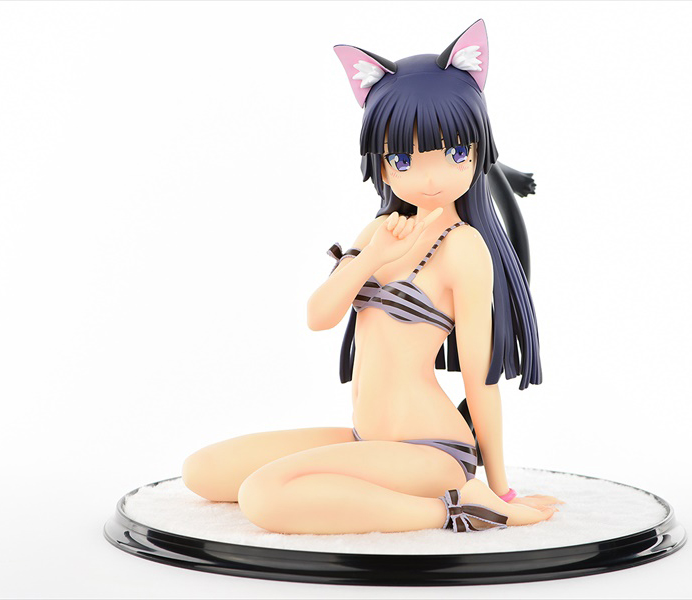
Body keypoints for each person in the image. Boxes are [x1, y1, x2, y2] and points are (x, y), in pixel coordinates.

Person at [182, 20, 563, 534]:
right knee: (204, 471)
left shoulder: (465, 248)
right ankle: (404, 495)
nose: (430, 177)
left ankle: (463, 509)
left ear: (477, 151)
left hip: (431, 451)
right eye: (404, 159)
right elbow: (318, 316)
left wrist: (501, 489)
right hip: (370, 440)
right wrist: (370, 255)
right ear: (381, 164)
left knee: (263, 495)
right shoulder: (381, 230)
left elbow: (481, 380)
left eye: (455, 154)